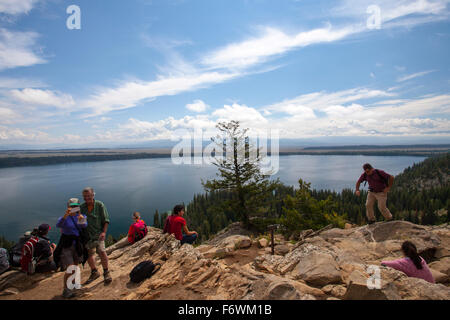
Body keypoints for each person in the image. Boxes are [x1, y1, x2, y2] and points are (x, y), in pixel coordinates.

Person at [54, 198, 88, 299]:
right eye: (72, 206)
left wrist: (81, 217)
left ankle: (74, 284)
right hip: (67, 245)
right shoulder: (64, 218)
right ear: (68, 207)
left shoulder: (81, 216)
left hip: (77, 244)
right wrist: (66, 215)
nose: (73, 208)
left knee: (76, 266)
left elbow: (84, 226)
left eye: (75, 206)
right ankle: (66, 289)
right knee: (70, 267)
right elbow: (58, 225)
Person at [80, 187, 112, 284]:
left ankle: (106, 272)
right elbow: (72, 215)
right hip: (87, 236)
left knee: (102, 252)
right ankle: (94, 272)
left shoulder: (99, 205)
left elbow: (106, 220)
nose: (87, 198)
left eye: (89, 196)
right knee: (89, 255)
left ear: (93, 195)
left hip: (98, 235)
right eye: (85, 196)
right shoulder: (81, 207)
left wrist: (104, 232)